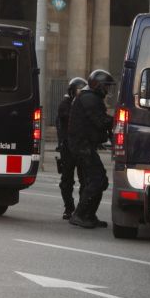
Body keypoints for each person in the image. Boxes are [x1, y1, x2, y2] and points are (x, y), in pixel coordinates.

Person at [67, 69, 115, 229]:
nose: (107, 90)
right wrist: (116, 120)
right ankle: (80, 215)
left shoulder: (90, 97)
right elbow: (100, 121)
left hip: (85, 146)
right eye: (106, 86)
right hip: (82, 147)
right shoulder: (89, 99)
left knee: (98, 180)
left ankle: (89, 215)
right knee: (97, 180)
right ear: (99, 85)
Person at [56, 77, 88, 220]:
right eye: (79, 91)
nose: (81, 94)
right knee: (67, 180)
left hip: (81, 147)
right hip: (68, 148)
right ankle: (69, 208)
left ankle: (81, 209)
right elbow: (72, 120)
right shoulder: (65, 104)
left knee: (85, 179)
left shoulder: (84, 105)